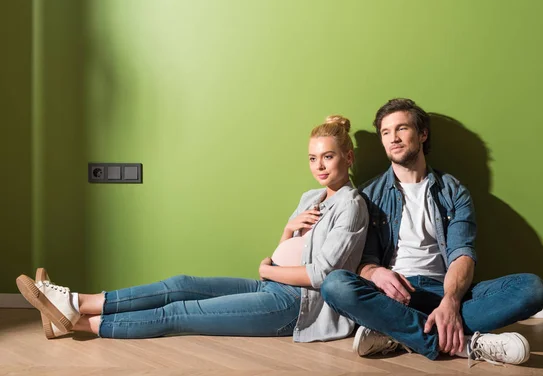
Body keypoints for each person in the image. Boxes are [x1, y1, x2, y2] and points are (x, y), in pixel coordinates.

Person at [17, 115, 369, 342]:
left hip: (296, 305)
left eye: (328, 156)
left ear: (348, 158)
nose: (319, 166)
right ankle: (76, 302)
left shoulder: (351, 205)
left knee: (180, 314)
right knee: (180, 285)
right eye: (313, 158)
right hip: (270, 283)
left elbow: (323, 275)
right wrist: (286, 231)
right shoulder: (311, 196)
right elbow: (286, 249)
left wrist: (266, 268)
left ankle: (75, 320)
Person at [320, 99, 543, 367]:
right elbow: (365, 260)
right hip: (393, 296)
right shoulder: (368, 196)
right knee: (334, 285)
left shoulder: (454, 191)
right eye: (385, 132)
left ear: (422, 133)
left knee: (533, 288)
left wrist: (450, 302)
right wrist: (376, 273)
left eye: (402, 128)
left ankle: (399, 333)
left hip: (445, 290)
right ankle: (466, 344)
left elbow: (462, 253)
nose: (393, 138)